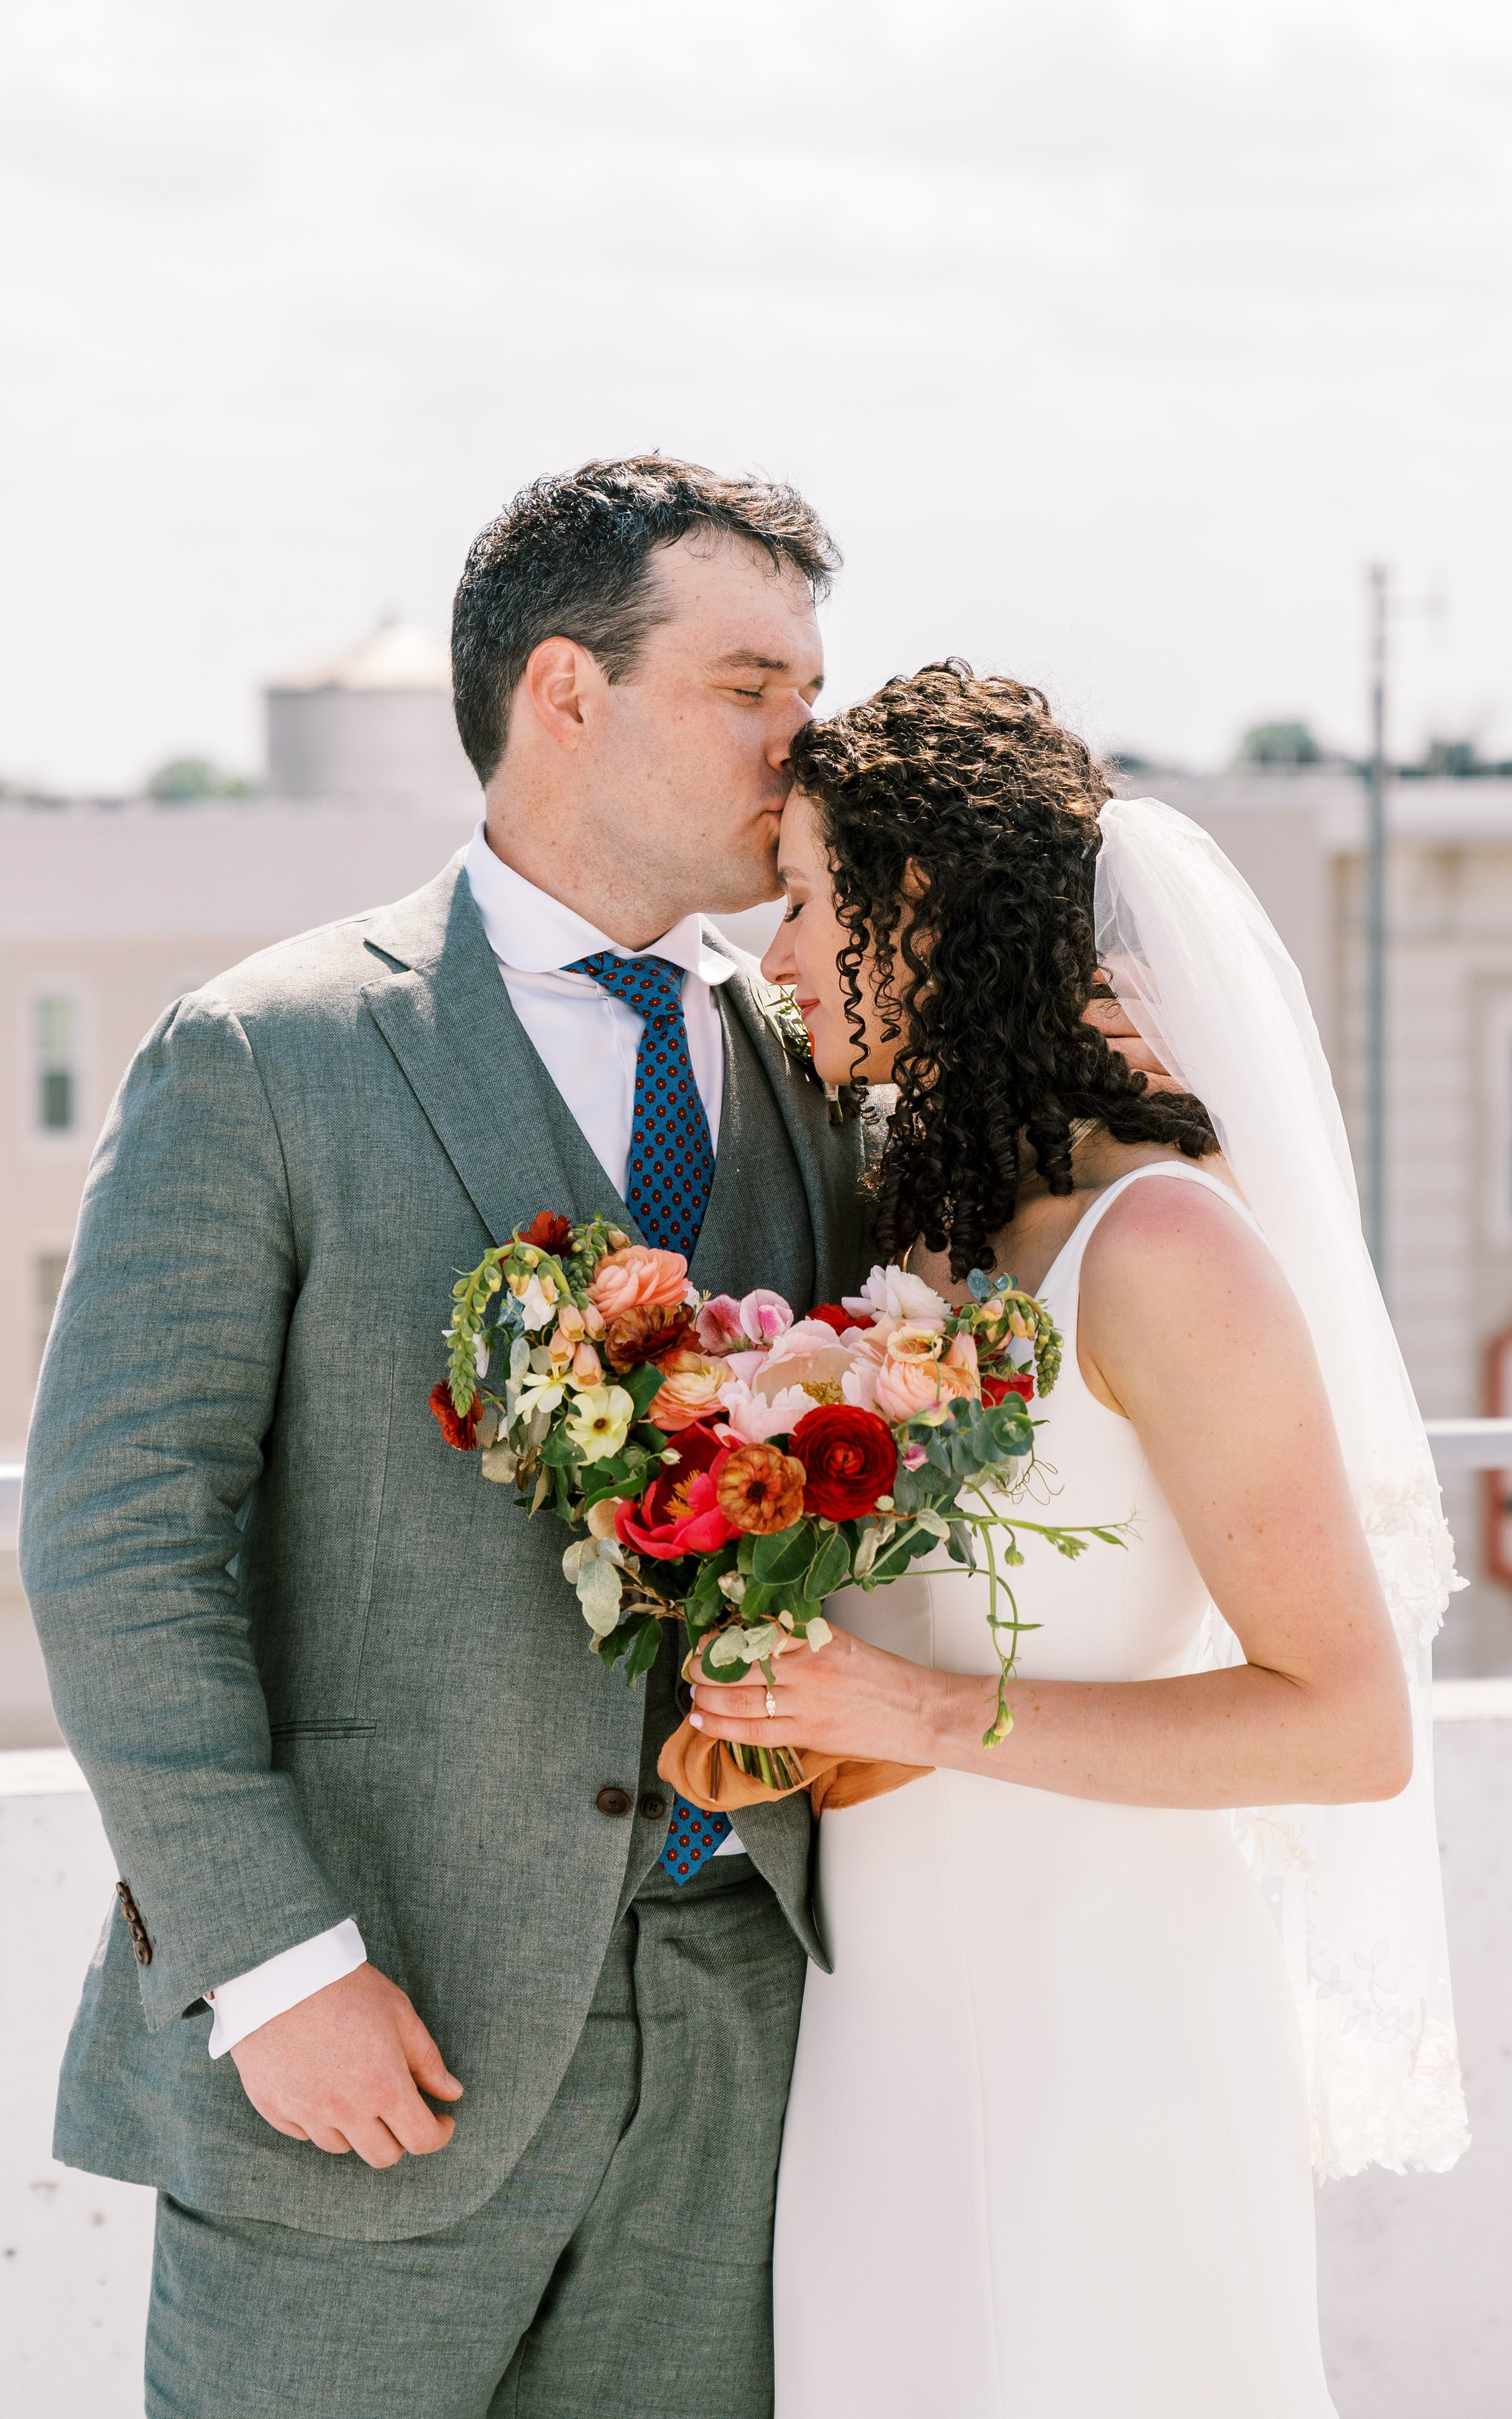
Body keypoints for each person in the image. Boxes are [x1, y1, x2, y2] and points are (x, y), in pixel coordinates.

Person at [22, 456, 879, 2418]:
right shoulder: (271, 1050)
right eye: (751, 685)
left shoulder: (810, 1073)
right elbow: (111, 1534)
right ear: (566, 692)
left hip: (733, 2060)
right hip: (360, 2042)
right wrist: (271, 1962)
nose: (800, 738)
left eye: (809, 689)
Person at [689, 662, 1471, 2416]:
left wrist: (904, 1715)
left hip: (1102, 2019)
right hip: (881, 2021)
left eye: (807, 902)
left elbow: (1341, 1725)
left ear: (918, 910)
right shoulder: (928, 1230)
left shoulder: (1163, 1247)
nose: (780, 955)